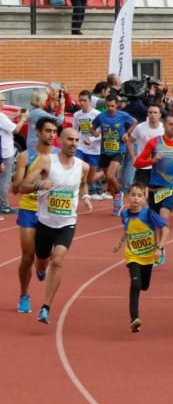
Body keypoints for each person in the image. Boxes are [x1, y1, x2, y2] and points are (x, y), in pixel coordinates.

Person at [20, 127, 93, 325]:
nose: (74, 143)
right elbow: (22, 186)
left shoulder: (82, 166)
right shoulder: (46, 162)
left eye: (76, 140)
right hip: (44, 222)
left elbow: (84, 183)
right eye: (70, 139)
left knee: (58, 260)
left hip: (67, 223)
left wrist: (85, 196)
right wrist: (38, 185)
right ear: (60, 141)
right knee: (42, 262)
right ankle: (41, 270)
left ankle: (46, 307)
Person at [132, 114, 173, 255]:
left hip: (172, 186)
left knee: (163, 216)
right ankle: (157, 247)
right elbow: (137, 163)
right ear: (165, 125)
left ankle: (160, 247)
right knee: (155, 222)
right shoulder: (154, 142)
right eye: (170, 124)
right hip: (155, 187)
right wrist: (153, 160)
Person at [12, 117, 57, 314]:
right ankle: (24, 295)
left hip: (52, 210)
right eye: (47, 131)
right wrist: (34, 185)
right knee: (27, 257)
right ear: (38, 132)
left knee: (44, 258)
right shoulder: (25, 156)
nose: (51, 135)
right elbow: (17, 188)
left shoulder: (59, 155)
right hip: (29, 210)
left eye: (54, 131)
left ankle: (42, 268)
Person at [114, 182, 168, 332]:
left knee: (144, 286)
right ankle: (134, 319)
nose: (135, 199)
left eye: (139, 196)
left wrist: (160, 247)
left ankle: (135, 313)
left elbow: (165, 230)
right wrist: (120, 242)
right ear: (127, 196)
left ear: (144, 198)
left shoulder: (149, 214)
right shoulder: (124, 214)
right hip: (133, 256)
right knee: (135, 285)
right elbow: (127, 229)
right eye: (133, 195)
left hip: (149, 256)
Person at [91, 93, 137, 216]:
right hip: (105, 151)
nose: (110, 108)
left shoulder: (123, 116)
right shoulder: (101, 117)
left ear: (117, 105)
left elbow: (134, 122)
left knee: (111, 176)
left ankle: (119, 193)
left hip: (118, 150)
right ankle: (116, 200)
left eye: (112, 106)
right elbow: (92, 127)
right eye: (108, 106)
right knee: (108, 179)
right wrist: (94, 133)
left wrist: (127, 133)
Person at [0, 96, 26, 213]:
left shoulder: (2, 116)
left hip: (4, 151)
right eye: (3, 101)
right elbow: (15, 129)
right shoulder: (1, 116)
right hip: (5, 152)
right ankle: (4, 205)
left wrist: (17, 116)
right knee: (5, 180)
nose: (4, 103)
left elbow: (5, 122)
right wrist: (23, 119)